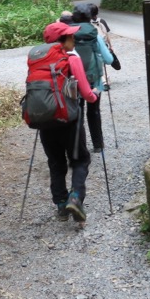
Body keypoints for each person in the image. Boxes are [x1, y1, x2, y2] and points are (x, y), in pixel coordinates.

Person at [34, 21, 100, 222]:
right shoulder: (72, 59)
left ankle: (61, 206)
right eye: (70, 36)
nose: (74, 39)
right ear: (61, 41)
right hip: (69, 120)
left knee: (56, 162)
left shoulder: (38, 62)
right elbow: (86, 94)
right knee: (80, 159)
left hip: (45, 120)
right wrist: (95, 95)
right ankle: (76, 198)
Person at [70, 4, 114, 153]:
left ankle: (79, 147)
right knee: (94, 111)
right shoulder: (93, 34)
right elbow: (108, 59)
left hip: (73, 81)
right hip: (94, 80)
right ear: (90, 17)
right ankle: (98, 144)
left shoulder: (68, 35)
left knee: (78, 112)